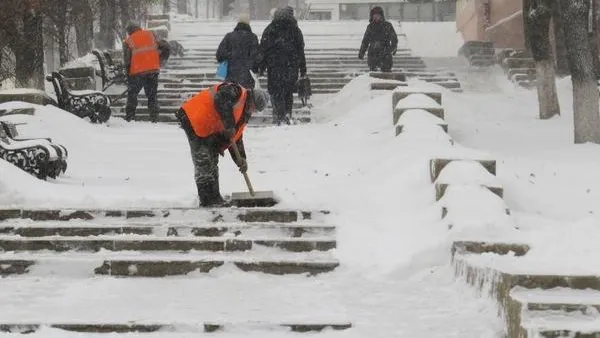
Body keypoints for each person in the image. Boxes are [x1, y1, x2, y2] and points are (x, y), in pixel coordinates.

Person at [175, 82, 269, 207]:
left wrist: (241, 159)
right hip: (195, 118)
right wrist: (229, 124)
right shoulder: (236, 91)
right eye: (254, 108)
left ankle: (214, 197)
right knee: (204, 161)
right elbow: (220, 99)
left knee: (213, 161)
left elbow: (236, 136)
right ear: (252, 100)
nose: (253, 111)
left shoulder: (244, 111)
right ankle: (207, 201)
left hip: (208, 126)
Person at [258, 6, 306, 125]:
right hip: (291, 66)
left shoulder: (270, 29)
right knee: (288, 91)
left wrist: (261, 67)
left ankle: (279, 115)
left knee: (276, 91)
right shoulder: (295, 30)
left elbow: (264, 49)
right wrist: (303, 68)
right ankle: (287, 113)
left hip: (274, 66)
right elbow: (301, 50)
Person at [123, 22, 161, 123]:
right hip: (153, 70)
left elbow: (127, 60)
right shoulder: (151, 34)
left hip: (137, 72)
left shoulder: (128, 40)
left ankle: (130, 117)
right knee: (152, 95)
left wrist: (128, 76)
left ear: (129, 32)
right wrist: (158, 62)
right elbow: (161, 47)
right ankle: (154, 117)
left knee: (132, 94)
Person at [216, 14, 260, 89]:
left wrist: (231, 56)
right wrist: (255, 69)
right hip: (247, 77)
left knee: (232, 97)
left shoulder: (229, 36)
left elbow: (220, 55)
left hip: (231, 75)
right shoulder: (252, 37)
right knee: (246, 98)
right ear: (248, 23)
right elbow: (255, 57)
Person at [358, 7, 399, 73]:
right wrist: (361, 53)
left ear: (381, 16)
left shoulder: (388, 26)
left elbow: (394, 39)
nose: (376, 17)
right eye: (374, 15)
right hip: (373, 55)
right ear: (372, 16)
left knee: (386, 75)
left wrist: (392, 50)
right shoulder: (370, 27)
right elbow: (365, 41)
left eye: (378, 15)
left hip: (385, 55)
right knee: (373, 75)